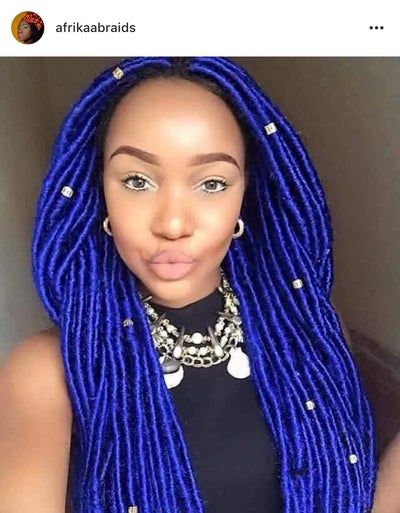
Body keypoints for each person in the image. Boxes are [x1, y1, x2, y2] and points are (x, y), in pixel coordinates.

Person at [0, 57, 376, 512]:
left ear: (246, 194)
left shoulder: (309, 332)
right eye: (136, 181)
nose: (173, 224)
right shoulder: (45, 373)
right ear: (99, 192)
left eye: (212, 184)